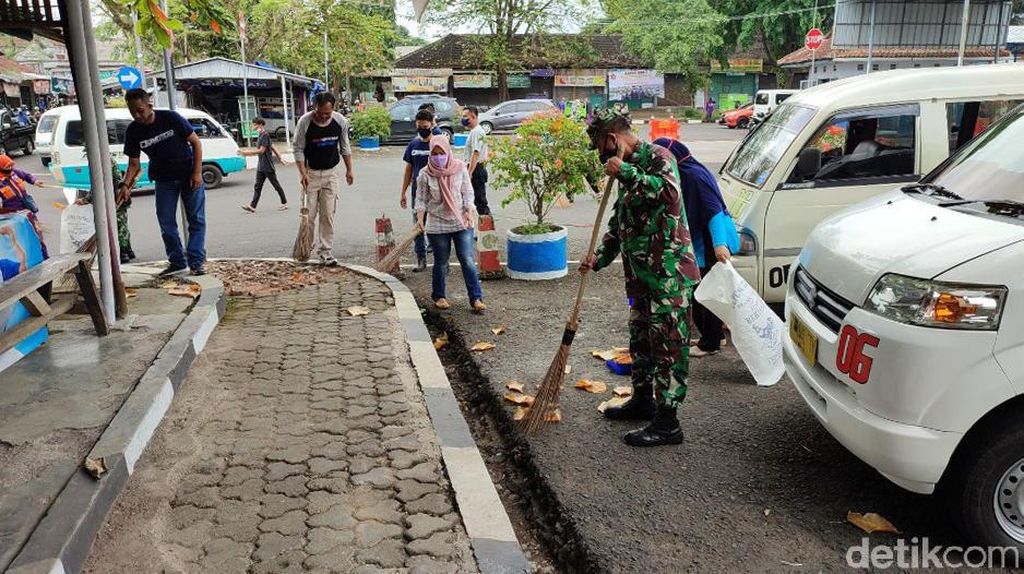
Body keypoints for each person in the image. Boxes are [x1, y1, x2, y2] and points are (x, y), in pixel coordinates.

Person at [580, 108, 700, 447]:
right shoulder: (624, 176)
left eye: (602, 148)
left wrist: (627, 172)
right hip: (641, 281)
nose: (602, 156)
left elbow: (669, 195)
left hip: (668, 278)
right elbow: (620, 225)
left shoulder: (659, 158)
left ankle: (667, 423)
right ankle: (643, 400)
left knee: (668, 348)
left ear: (612, 139)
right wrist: (597, 259)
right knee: (642, 343)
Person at [653, 137, 740, 358]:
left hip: (710, 245)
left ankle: (710, 343)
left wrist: (720, 246)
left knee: (702, 294)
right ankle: (712, 336)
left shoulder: (694, 177)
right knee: (704, 292)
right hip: (701, 243)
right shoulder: (684, 173)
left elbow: (714, 211)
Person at [120, 88, 207, 276]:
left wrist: (197, 172)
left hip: (188, 174)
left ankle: (197, 262)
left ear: (149, 105)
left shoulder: (170, 118)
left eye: (140, 110)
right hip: (163, 179)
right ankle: (177, 261)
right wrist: (125, 185)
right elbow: (134, 164)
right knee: (166, 223)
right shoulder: (133, 131)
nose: (137, 115)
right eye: (132, 111)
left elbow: (196, 142)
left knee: (196, 220)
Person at [415, 135, 485, 313]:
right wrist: (420, 219)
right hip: (437, 223)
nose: (439, 157)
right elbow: (421, 199)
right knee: (441, 261)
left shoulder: (460, 167)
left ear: (448, 151)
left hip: (461, 220)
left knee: (466, 258)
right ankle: (439, 296)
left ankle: (476, 298)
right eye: (435, 153)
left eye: (442, 153)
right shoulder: (425, 173)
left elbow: (468, 193)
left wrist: (469, 212)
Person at [292, 91, 354, 266]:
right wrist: (302, 173)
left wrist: (349, 170)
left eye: (327, 113)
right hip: (310, 174)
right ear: (314, 107)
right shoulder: (305, 122)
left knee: (328, 214)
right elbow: (298, 149)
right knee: (308, 215)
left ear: (333, 109)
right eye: (319, 113)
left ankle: (325, 252)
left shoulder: (339, 121)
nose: (322, 116)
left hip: (331, 173)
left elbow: (345, 147)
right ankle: (305, 250)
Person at [400, 108, 443, 272]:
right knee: (418, 225)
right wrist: (403, 192)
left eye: (425, 126)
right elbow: (408, 169)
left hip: (437, 192)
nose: (422, 129)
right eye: (419, 126)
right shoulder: (413, 145)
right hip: (418, 192)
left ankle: (441, 261)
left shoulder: (438, 144)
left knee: (438, 226)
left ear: (432, 124)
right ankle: (421, 259)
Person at [77, 155, 136, 263]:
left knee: (117, 225)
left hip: (113, 198)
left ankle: (123, 253)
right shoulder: (109, 160)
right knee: (122, 224)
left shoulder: (101, 163)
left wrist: (86, 199)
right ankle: (128, 250)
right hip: (118, 196)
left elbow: (97, 184)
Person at [241, 117, 289, 213]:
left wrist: (246, 153)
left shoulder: (265, 135)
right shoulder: (260, 135)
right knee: (257, 186)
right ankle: (252, 206)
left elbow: (261, 151)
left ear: (260, 125)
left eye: (254, 124)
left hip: (267, 166)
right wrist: (280, 158)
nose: (253, 126)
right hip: (261, 167)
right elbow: (273, 147)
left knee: (276, 185)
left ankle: (284, 203)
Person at [461, 106, 490, 215]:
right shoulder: (474, 131)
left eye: (465, 116)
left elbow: (476, 153)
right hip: (474, 168)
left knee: (480, 200)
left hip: (476, 169)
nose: (463, 119)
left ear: (473, 116)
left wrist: (470, 172)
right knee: (472, 199)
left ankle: (487, 225)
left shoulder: (476, 132)